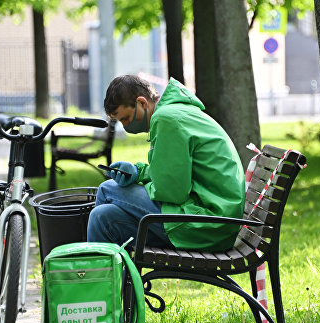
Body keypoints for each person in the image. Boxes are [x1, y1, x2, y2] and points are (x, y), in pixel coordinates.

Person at [87, 75, 245, 251]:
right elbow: (174, 173)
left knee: (107, 188)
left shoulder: (166, 119)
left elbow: (172, 192)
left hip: (207, 222)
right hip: (212, 221)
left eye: (126, 118)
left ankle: (94, 272)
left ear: (142, 103)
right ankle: (116, 277)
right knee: (102, 217)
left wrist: (142, 185)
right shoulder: (175, 112)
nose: (125, 126)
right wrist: (138, 173)